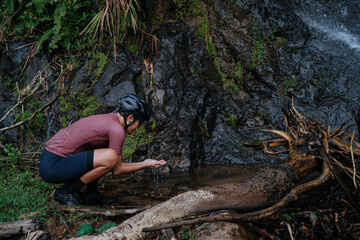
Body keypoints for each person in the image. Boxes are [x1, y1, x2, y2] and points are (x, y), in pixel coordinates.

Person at [39, 93, 166, 205]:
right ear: (131, 118)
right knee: (110, 157)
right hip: (53, 167)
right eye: (141, 122)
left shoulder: (108, 120)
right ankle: (64, 192)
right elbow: (117, 169)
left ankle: (91, 193)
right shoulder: (117, 130)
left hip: (50, 161)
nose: (140, 126)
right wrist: (145, 164)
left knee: (104, 149)